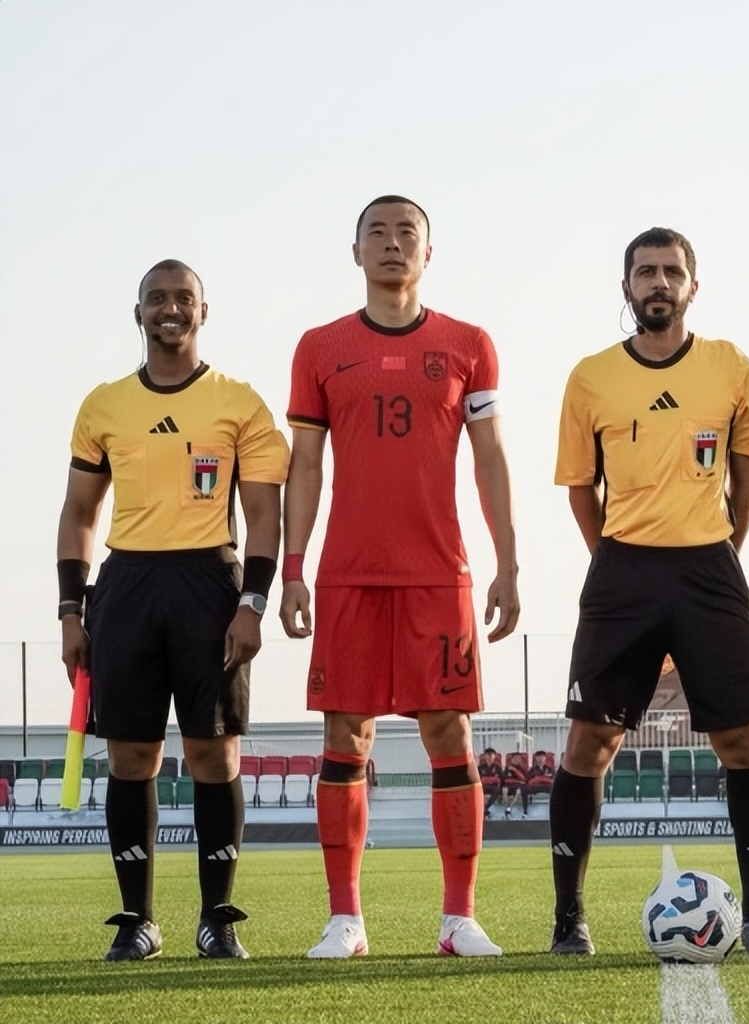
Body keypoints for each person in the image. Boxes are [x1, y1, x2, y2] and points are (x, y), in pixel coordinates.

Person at [280, 195, 520, 959]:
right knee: (344, 733)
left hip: (438, 573)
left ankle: (459, 919)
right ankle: (345, 920)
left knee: (449, 731)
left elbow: (489, 457)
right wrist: (292, 570)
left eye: (406, 232)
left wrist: (508, 563)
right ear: (355, 252)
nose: (392, 243)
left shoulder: (469, 344)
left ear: (428, 252)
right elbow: (306, 467)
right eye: (376, 233)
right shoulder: (319, 347)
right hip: (348, 574)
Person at [549, 227, 749, 955]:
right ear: (626, 286)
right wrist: (614, 561)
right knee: (590, 740)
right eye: (645, 271)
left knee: (740, 739)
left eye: (671, 271)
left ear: (692, 286)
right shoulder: (591, 377)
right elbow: (581, 488)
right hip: (622, 570)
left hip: (710, 567)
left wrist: (723, 552)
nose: (658, 282)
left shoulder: (730, 368)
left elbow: (748, 478)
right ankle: (568, 920)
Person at [57, 260, 288, 961]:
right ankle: (138, 921)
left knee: (214, 752)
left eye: (184, 298)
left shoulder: (239, 402)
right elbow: (79, 514)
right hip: (126, 585)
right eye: (156, 298)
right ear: (138, 313)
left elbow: (264, 515)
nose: (170, 309)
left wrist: (252, 603)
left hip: (209, 583)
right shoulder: (103, 405)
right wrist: (70, 611)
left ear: (203, 312)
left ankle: (218, 919)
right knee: (132, 754)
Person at [523, 750, 554, 815]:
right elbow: (528, 778)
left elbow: (554, 777)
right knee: (524, 788)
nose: (540, 759)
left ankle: (555, 810)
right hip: (535, 787)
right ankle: (525, 809)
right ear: (536, 758)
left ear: (545, 758)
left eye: (542, 757)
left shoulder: (549, 769)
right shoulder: (532, 769)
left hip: (546, 787)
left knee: (557, 789)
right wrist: (541, 776)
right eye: (539, 757)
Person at [478, 747, 504, 819]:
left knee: (496, 790)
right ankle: (484, 810)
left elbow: (502, 777)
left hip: (494, 787)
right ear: (484, 756)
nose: (489, 757)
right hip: (483, 786)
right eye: (488, 755)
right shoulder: (480, 767)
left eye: (491, 755)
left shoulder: (497, 767)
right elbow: (477, 778)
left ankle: (485, 808)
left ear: (494, 757)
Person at [501, 752, 527, 819]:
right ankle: (506, 808)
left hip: (518, 785)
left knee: (518, 792)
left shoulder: (522, 768)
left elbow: (524, 778)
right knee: (504, 790)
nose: (517, 760)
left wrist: (515, 770)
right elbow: (504, 777)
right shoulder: (507, 767)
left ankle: (510, 808)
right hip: (508, 785)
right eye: (515, 758)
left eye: (518, 758)